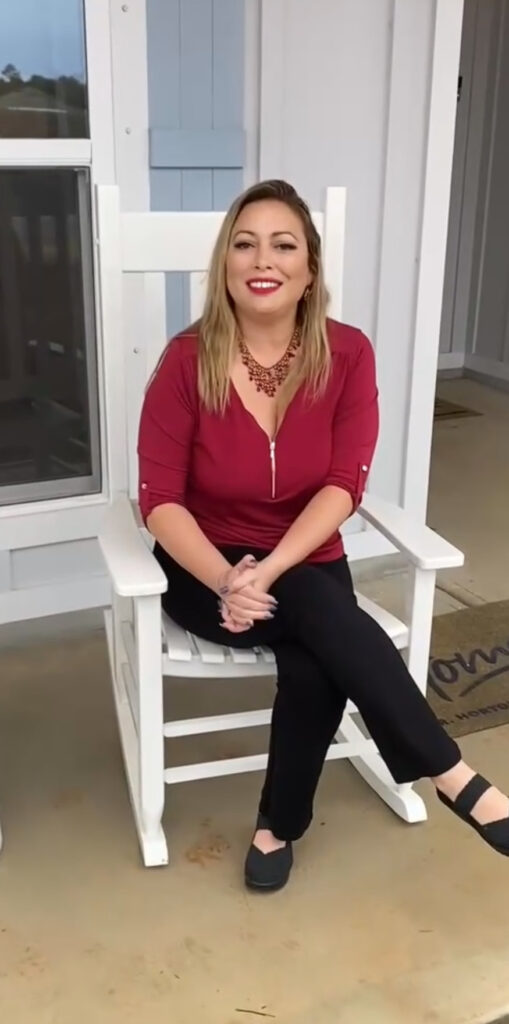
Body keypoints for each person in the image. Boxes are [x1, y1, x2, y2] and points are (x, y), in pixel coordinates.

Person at [138, 179, 509, 892]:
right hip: (202, 572)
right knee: (323, 632)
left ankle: (278, 826)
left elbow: (343, 485)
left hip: (302, 564)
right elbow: (158, 501)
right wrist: (225, 577)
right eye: (243, 244)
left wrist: (270, 568)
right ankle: (450, 774)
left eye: (283, 244)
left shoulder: (347, 355)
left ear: (309, 270)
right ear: (224, 267)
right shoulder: (185, 361)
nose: (261, 259)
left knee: (314, 645)